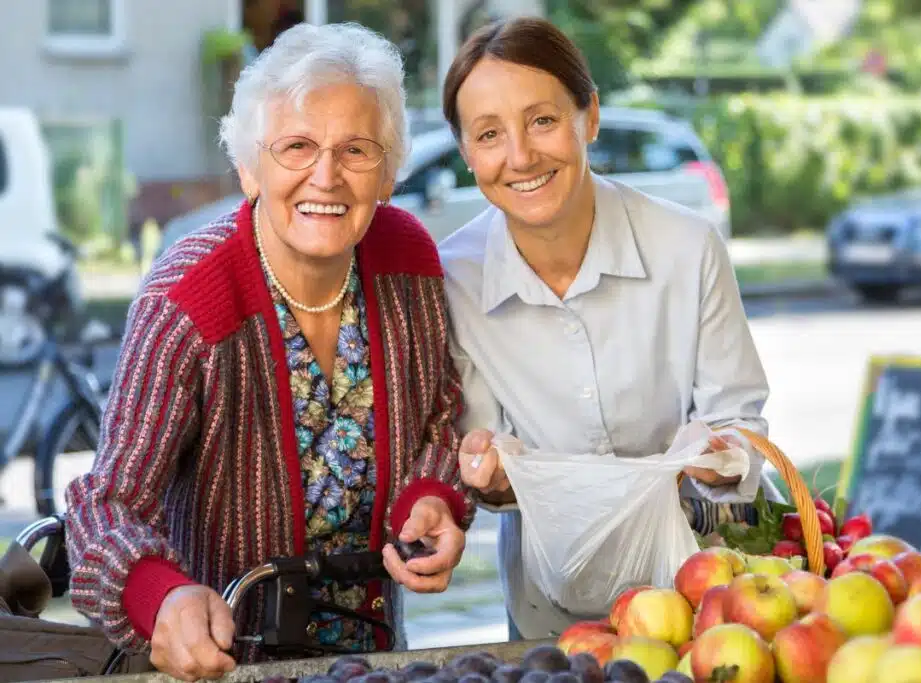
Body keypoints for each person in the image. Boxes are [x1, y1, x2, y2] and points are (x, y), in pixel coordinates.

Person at [64, 22, 473, 682]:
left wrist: (430, 497)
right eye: (296, 146)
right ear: (249, 167)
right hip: (221, 665)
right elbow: (104, 503)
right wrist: (159, 596)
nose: (326, 175)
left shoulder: (408, 261)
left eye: (356, 149)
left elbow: (438, 419)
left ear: (391, 170)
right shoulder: (189, 298)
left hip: (374, 660)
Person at [437, 17, 783, 640]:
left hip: (701, 601)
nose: (520, 156)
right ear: (467, 153)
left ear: (588, 116)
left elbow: (743, 429)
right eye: (489, 134)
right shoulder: (455, 279)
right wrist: (488, 477)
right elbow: (484, 456)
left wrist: (716, 454)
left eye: (543, 120)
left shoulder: (687, 246)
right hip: (549, 615)